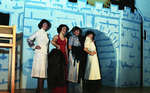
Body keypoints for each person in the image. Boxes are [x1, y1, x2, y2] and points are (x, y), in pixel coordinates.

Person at [27, 19, 51, 93]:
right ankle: (40, 90)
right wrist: (34, 47)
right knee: (40, 73)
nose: (45, 25)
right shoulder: (38, 32)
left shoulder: (46, 34)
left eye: (46, 24)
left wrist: (48, 53)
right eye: (44, 24)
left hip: (45, 55)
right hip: (39, 54)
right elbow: (29, 39)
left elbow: (47, 45)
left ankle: (38, 90)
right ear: (41, 24)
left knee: (42, 73)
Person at [50, 24, 69, 93]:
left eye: (65, 29)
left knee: (64, 72)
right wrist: (57, 45)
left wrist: (67, 57)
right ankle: (57, 90)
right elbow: (52, 41)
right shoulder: (56, 36)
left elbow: (66, 48)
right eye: (63, 28)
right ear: (60, 29)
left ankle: (63, 90)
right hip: (58, 56)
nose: (64, 30)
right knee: (58, 72)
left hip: (64, 55)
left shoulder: (66, 38)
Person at [67, 26, 84, 93]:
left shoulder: (79, 38)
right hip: (73, 55)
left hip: (79, 55)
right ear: (73, 32)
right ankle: (71, 89)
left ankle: (77, 89)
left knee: (78, 71)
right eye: (76, 31)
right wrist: (76, 50)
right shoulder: (71, 37)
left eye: (78, 31)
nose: (77, 32)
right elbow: (70, 47)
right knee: (72, 71)